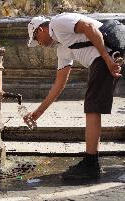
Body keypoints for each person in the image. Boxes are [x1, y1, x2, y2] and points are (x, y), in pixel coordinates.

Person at [26, 13, 123, 180]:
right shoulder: (62, 48)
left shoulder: (57, 22)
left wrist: (107, 59)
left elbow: (89, 28)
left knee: (92, 107)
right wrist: (38, 112)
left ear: (40, 29)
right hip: (108, 56)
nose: (40, 44)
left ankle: (91, 164)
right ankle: (90, 162)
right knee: (92, 106)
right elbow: (59, 84)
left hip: (105, 56)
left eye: (37, 40)